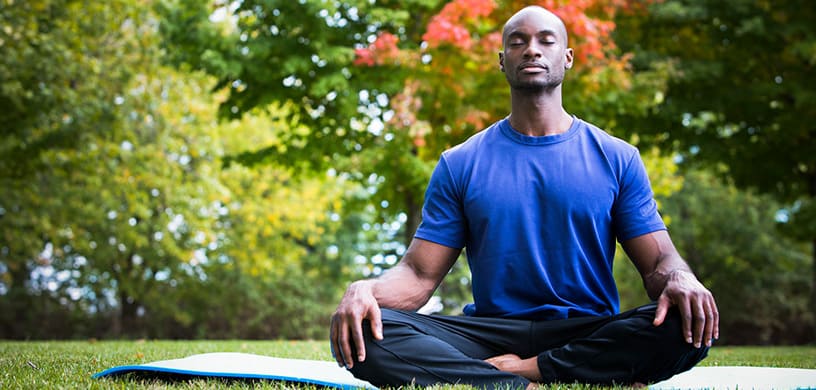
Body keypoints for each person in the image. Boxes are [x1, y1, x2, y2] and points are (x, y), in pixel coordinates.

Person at [330, 5, 718, 389]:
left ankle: (523, 373)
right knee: (364, 330)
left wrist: (681, 278)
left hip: (585, 330)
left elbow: (658, 264)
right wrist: (366, 290)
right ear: (502, 61)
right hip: (489, 333)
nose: (532, 50)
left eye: (546, 41)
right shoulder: (460, 163)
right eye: (518, 42)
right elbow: (417, 276)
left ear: (567, 58)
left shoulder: (617, 158)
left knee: (686, 318)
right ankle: (543, 379)